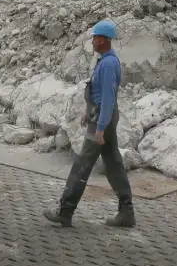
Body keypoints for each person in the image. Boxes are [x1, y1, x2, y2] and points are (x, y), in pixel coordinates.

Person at [43, 19, 135, 229]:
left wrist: (100, 129)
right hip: (101, 117)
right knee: (114, 165)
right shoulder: (105, 61)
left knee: (81, 166)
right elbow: (99, 94)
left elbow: (108, 100)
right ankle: (126, 212)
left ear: (102, 40)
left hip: (102, 120)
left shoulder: (109, 64)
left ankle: (65, 211)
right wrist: (88, 112)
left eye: (95, 37)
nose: (92, 41)